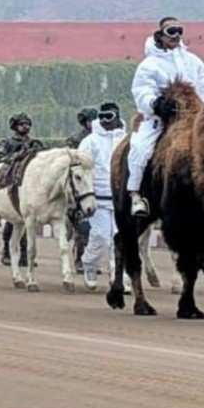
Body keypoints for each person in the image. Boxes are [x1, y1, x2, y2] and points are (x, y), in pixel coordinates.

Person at [127, 16, 204, 218]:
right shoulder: (149, 65)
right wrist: (156, 104)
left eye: (180, 31)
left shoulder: (194, 62)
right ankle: (136, 194)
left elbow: (203, 89)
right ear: (160, 35)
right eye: (171, 31)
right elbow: (141, 91)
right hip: (161, 119)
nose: (176, 36)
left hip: (192, 118)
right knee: (140, 149)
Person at [76, 102, 128, 290]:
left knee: (119, 238)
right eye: (102, 117)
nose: (105, 121)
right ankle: (89, 264)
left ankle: (119, 277)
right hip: (97, 198)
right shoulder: (90, 141)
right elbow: (80, 169)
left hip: (121, 198)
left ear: (117, 117)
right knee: (101, 237)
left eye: (109, 117)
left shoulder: (127, 139)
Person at [0, 113, 44, 266]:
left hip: (31, 183)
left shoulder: (34, 142)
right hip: (13, 182)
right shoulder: (8, 142)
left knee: (29, 222)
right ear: (15, 126)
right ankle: (7, 251)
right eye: (22, 124)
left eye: (27, 124)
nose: (25, 127)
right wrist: (18, 155)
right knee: (12, 220)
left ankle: (25, 255)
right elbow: (0, 158)